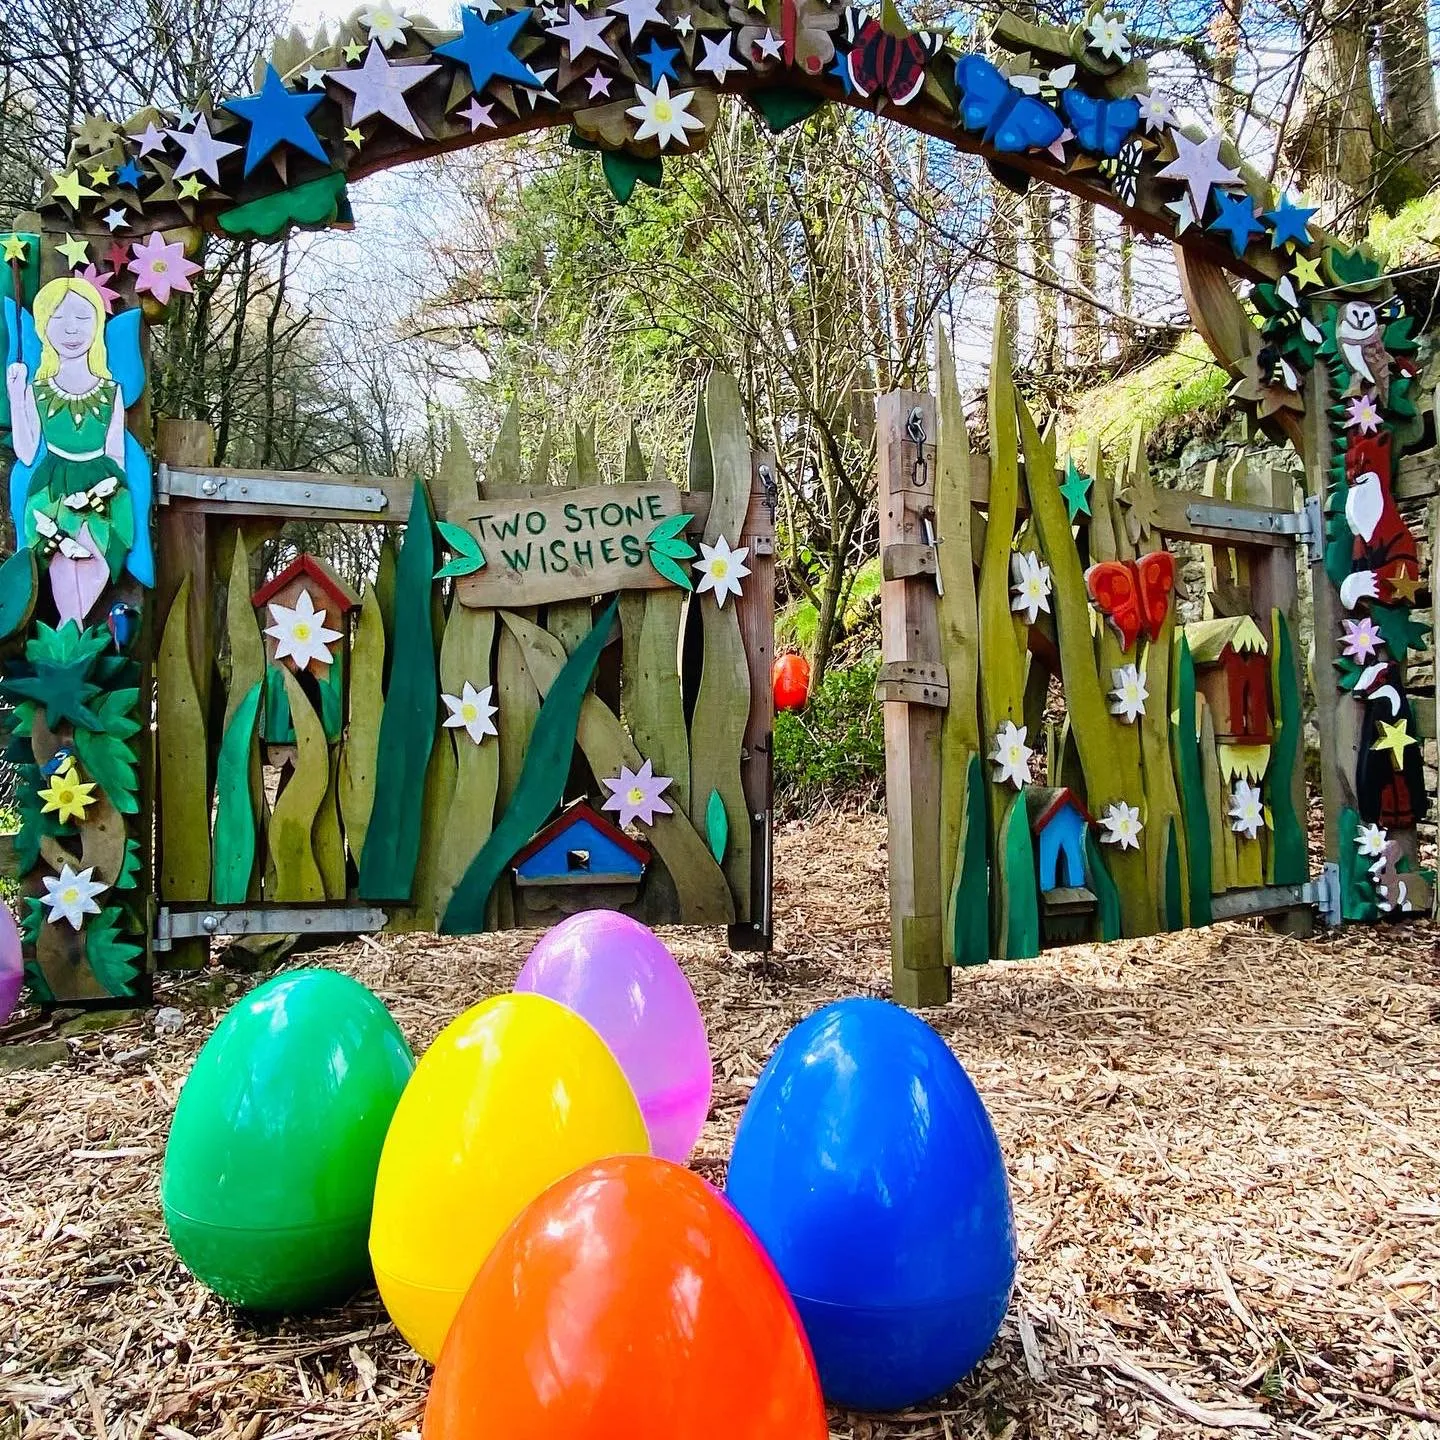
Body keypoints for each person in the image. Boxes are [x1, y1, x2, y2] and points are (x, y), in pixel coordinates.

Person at [5, 277, 134, 623]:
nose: (71, 330)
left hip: (103, 485)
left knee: (97, 563)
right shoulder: (39, 389)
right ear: (45, 327)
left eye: (82, 318)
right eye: (59, 319)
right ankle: (67, 638)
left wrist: (104, 493)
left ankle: (73, 635)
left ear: (97, 326)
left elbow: (116, 453)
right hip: (52, 488)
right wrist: (17, 398)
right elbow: (28, 453)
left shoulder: (111, 391)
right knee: (62, 565)